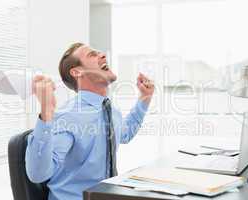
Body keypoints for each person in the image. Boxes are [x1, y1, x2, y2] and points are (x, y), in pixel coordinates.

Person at [25, 42, 155, 200]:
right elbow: (38, 174)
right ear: (77, 72)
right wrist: (46, 112)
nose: (103, 55)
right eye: (92, 54)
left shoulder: (109, 109)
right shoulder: (68, 116)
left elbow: (125, 134)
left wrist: (145, 99)